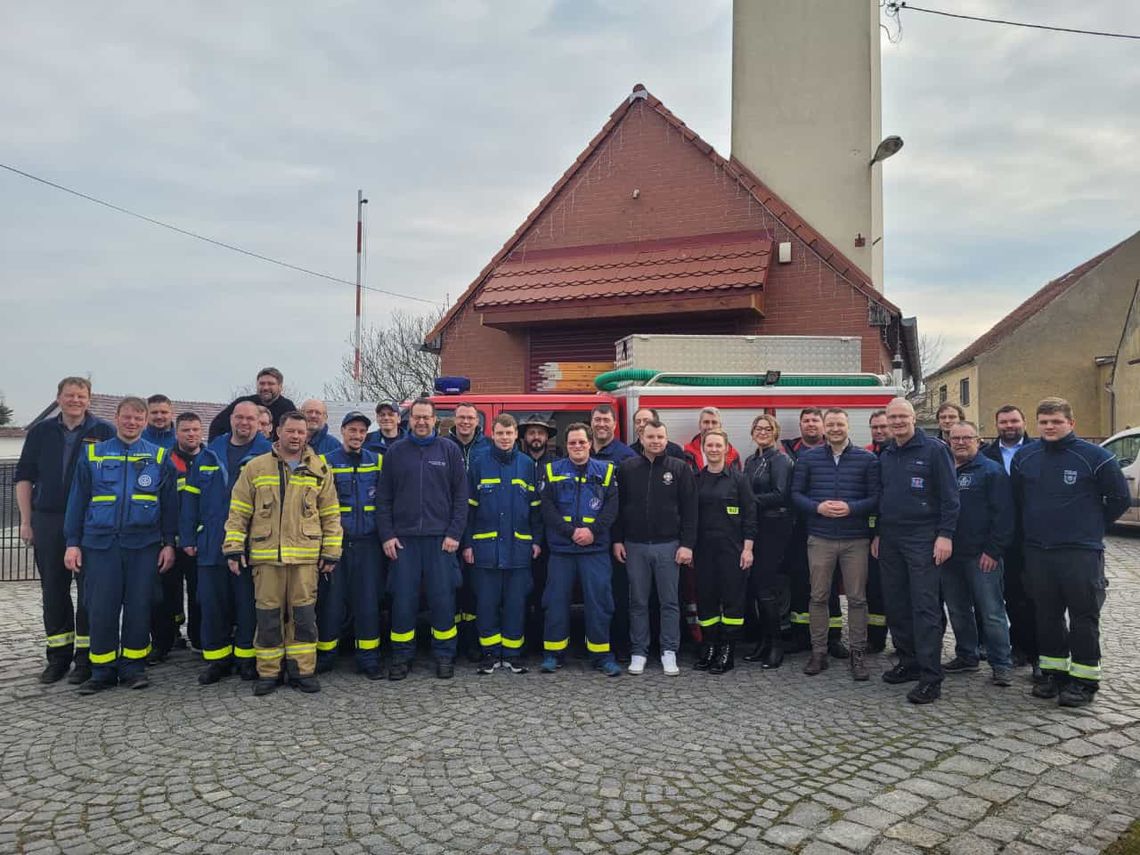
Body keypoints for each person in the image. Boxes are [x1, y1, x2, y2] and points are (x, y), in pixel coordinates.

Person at [1011, 397, 1130, 708]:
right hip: (1038, 551)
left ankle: (1085, 680)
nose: (1050, 427)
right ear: (1037, 425)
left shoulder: (1096, 457)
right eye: (1045, 422)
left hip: (1080, 553)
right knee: (1046, 616)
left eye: (1057, 421)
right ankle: (1053, 672)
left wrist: (1090, 527)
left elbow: (1119, 499)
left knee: (1083, 617)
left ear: (1071, 423)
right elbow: (1019, 501)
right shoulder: (1025, 457)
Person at [63, 397, 178, 694]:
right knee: (101, 607)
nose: (132, 422)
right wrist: (72, 543)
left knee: (140, 606)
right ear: (116, 418)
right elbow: (77, 501)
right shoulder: (93, 454)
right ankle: (102, 670)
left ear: (145, 421)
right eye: (127, 417)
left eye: (138, 418)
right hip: (100, 545)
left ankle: (133, 667)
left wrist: (168, 543)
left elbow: (169, 505)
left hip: (144, 545)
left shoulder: (159, 456)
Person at [224, 411, 343, 696]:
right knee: (267, 617)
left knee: (304, 617)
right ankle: (269, 672)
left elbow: (331, 514)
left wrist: (331, 551)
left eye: (301, 433)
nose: (296, 437)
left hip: (305, 559)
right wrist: (233, 546)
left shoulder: (319, 469)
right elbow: (239, 511)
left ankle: (302, 670)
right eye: (290, 431)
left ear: (307, 435)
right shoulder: (255, 467)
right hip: (266, 558)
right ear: (278, 431)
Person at [16, 376, 114, 685]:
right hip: (49, 519)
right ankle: (58, 657)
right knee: (53, 590)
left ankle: (86, 658)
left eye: (81, 395)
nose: (75, 400)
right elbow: (24, 478)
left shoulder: (103, 432)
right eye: (69, 395)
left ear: (89, 399)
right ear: (58, 398)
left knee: (89, 593)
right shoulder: (41, 432)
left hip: (90, 522)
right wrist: (26, 521)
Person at [873, 397, 960, 704]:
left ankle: (930, 676)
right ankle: (908, 661)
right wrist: (879, 534)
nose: (896, 422)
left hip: (923, 536)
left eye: (902, 417)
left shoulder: (935, 450)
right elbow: (883, 497)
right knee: (896, 603)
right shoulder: (887, 453)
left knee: (925, 606)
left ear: (913, 418)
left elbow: (951, 498)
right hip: (891, 537)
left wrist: (945, 536)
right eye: (892, 417)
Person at [377, 398, 469, 680]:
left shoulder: (449, 450)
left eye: (426, 417)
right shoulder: (396, 452)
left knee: (443, 600)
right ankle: (402, 656)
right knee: (403, 601)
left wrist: (454, 533)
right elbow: (384, 498)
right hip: (404, 542)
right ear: (410, 420)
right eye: (416, 417)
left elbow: (461, 497)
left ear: (435, 420)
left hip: (440, 540)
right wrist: (387, 535)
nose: (421, 422)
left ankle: (444, 655)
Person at [182, 401, 271, 684]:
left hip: (251, 545)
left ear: (260, 423)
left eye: (250, 419)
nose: (244, 423)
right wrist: (187, 536)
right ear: (231, 420)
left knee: (247, 605)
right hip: (211, 543)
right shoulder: (209, 454)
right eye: (239, 417)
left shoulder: (268, 455)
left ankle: (246, 658)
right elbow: (190, 499)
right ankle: (217, 660)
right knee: (212, 605)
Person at [791, 408, 879, 681]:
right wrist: (817, 507)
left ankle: (858, 653)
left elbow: (877, 497)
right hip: (820, 537)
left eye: (840, 424)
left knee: (857, 599)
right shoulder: (808, 458)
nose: (835, 428)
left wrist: (851, 508)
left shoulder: (867, 460)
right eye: (831, 424)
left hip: (855, 539)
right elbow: (795, 494)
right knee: (817, 597)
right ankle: (819, 652)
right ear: (825, 428)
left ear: (848, 426)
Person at [613, 420, 697, 676]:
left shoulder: (680, 468)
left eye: (660, 437)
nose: (656, 441)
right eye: (651, 437)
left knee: (669, 602)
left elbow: (691, 510)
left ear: (666, 438)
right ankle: (639, 651)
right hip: (635, 545)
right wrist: (617, 539)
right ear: (641, 437)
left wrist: (687, 545)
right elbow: (618, 507)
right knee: (637, 601)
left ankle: (668, 651)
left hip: (669, 545)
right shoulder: (627, 468)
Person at [462, 414, 542, 675]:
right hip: (485, 549)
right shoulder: (479, 464)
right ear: (492, 434)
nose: (505, 438)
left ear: (516, 435)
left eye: (509, 433)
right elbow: (469, 509)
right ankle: (490, 654)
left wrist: (537, 541)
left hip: (518, 549)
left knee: (515, 603)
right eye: (500, 434)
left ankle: (512, 654)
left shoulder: (527, 465)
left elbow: (535, 510)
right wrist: (467, 544)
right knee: (486, 604)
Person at [540, 423, 621, 677]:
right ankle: (553, 654)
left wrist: (592, 531)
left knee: (600, 603)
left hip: (594, 550)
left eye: (582, 442)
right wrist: (571, 532)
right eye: (573, 442)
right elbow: (547, 508)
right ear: (567, 446)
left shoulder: (606, 471)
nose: (577, 446)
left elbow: (611, 508)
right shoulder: (552, 470)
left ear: (590, 444)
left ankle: (601, 655)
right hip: (562, 550)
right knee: (556, 603)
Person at [943, 421, 1015, 687]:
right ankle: (967, 655)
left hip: (982, 555)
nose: (960, 442)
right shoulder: (945, 470)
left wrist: (993, 550)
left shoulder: (991, 472)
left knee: (992, 611)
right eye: (955, 438)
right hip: (949, 554)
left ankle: (1001, 664)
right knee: (958, 609)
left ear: (978, 440)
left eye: (966, 438)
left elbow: (1004, 516)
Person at [318, 412, 385, 680]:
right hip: (338, 545)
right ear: (343, 431)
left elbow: (385, 502)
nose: (357, 436)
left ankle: (368, 659)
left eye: (361, 432)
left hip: (369, 544)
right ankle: (326, 655)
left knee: (367, 603)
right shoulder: (326, 463)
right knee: (332, 604)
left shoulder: (377, 462)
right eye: (352, 430)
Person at [782, 407, 845, 657]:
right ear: (800, 426)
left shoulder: (836, 452)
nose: (810, 424)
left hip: (829, 527)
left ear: (823, 425)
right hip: (798, 528)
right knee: (800, 583)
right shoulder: (789, 451)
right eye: (805, 420)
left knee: (828, 585)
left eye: (814, 420)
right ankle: (801, 636)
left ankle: (833, 638)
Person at [693, 429, 756, 674]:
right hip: (704, 551)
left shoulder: (739, 480)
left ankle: (727, 651)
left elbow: (750, 516)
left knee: (732, 602)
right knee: (706, 600)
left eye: (719, 445)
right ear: (703, 449)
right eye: (710, 445)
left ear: (727, 449)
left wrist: (748, 548)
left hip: (732, 550)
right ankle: (710, 646)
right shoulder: (697, 479)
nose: (714, 449)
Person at [982, 404, 1036, 673]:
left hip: (1029, 537)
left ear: (1024, 422)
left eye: (1014, 421)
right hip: (996, 535)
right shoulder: (986, 455)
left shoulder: (1038, 451)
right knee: (1002, 596)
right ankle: (1012, 649)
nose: (1009, 426)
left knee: (1028, 597)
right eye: (1003, 422)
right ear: (996, 425)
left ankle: (1032, 650)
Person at [742, 414, 794, 669]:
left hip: (774, 528)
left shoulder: (781, 459)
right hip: (755, 528)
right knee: (754, 589)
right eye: (758, 428)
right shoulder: (752, 460)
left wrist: (747, 502)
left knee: (766, 588)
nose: (762, 432)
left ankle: (776, 645)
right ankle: (763, 642)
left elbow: (781, 494)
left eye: (767, 428)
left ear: (775, 432)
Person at [150, 412, 203, 661]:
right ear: (177, 433)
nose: (191, 434)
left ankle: (199, 639)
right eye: (185, 430)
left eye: (194, 430)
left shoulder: (209, 459)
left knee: (198, 594)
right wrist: (167, 540)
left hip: (198, 542)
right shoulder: (165, 460)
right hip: (171, 540)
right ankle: (164, 641)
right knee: (164, 595)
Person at [590, 403, 636, 661]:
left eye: (606, 420)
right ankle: (596, 643)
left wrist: (619, 538)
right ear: (591, 422)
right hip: (587, 537)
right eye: (597, 420)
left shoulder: (625, 456)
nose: (602, 424)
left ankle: (620, 645)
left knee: (617, 593)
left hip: (612, 537)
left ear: (615, 424)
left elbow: (628, 502)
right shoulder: (582, 450)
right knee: (595, 593)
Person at [518, 414, 560, 650]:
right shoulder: (518, 463)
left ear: (547, 438)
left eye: (540, 433)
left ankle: (545, 640)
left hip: (551, 541)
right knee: (522, 592)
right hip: (522, 538)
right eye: (532, 432)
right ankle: (524, 640)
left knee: (547, 592)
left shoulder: (556, 464)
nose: (536, 437)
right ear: (524, 437)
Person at [208, 367, 297, 441]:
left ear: (280, 386)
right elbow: (217, 426)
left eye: (270, 384)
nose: (265, 387)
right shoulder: (243, 404)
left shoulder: (288, 408)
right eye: (262, 384)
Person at [864, 410, 890, 652]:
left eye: (883, 426)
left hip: (893, 530)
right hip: (870, 531)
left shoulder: (896, 455)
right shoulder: (867, 454)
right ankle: (876, 638)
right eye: (875, 427)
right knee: (874, 588)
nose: (880, 431)